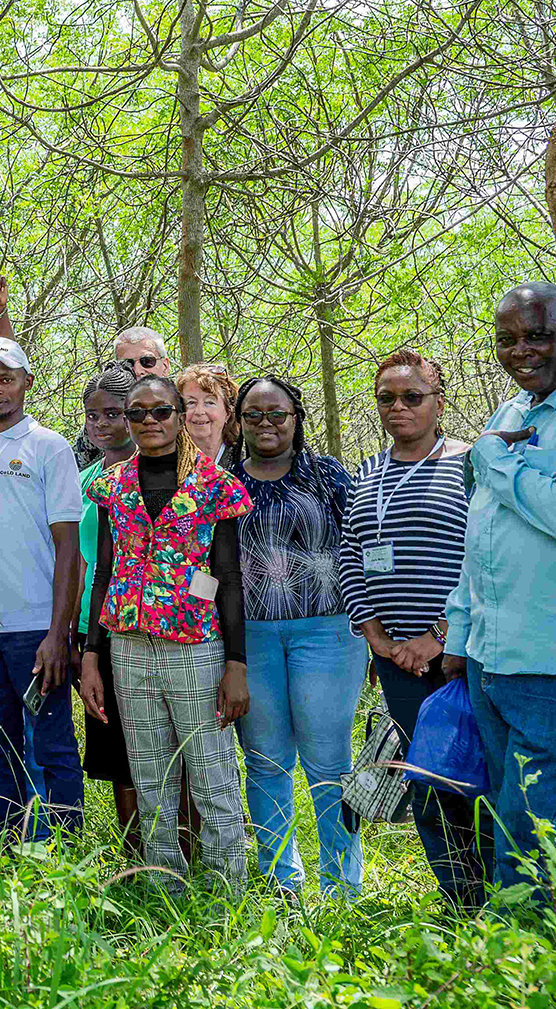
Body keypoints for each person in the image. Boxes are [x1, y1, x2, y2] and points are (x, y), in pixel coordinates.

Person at [444, 283, 556, 898]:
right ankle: (536, 959)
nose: (522, 351)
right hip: (494, 663)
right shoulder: (513, 412)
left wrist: (492, 460)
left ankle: (533, 970)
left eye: (538, 334)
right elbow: (482, 532)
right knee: (510, 824)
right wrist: (461, 635)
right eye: (508, 340)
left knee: (532, 836)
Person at [81, 374, 252, 893]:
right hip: (128, 646)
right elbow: (104, 570)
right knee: (151, 776)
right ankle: (165, 890)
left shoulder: (215, 487)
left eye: (160, 412)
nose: (149, 422)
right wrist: (92, 654)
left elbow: (228, 578)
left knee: (211, 774)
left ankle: (228, 891)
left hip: (195, 646)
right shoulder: (111, 486)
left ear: (180, 416)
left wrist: (235, 664)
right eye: (137, 413)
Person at [337, 348, 489, 911]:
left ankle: (499, 896)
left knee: (471, 777)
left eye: (412, 397)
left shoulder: (469, 464)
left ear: (438, 401)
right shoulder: (368, 473)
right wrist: (376, 637)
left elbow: (487, 557)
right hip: (394, 658)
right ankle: (459, 902)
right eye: (387, 398)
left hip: (458, 656)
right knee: (419, 779)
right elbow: (351, 556)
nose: (398, 408)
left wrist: (443, 635)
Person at [228, 373, 363, 897]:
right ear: (238, 423)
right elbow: (203, 563)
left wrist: (374, 626)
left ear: (297, 419)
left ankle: (342, 884)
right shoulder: (219, 479)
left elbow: (360, 549)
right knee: (264, 759)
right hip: (250, 639)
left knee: (329, 761)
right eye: (254, 415)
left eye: (277, 414)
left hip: (328, 633)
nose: (266, 425)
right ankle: (280, 879)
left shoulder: (329, 477)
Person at [0, 338, 85, 840]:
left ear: (26, 382)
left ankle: (66, 853)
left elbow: (68, 547)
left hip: (34, 630)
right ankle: (5, 850)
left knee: (51, 744)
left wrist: (58, 633)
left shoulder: (49, 446)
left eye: (6, 379)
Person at [74, 365, 143, 856]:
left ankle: (186, 852)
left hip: (155, 627)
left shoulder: (161, 469)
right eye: (91, 415)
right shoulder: (86, 480)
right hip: (92, 629)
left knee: (166, 745)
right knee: (115, 745)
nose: (100, 424)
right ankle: (136, 857)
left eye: (112, 414)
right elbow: (79, 561)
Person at [175, 363, 238, 464]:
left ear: (227, 413)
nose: (199, 411)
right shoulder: (168, 461)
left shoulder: (242, 460)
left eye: (209, 403)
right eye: (191, 403)